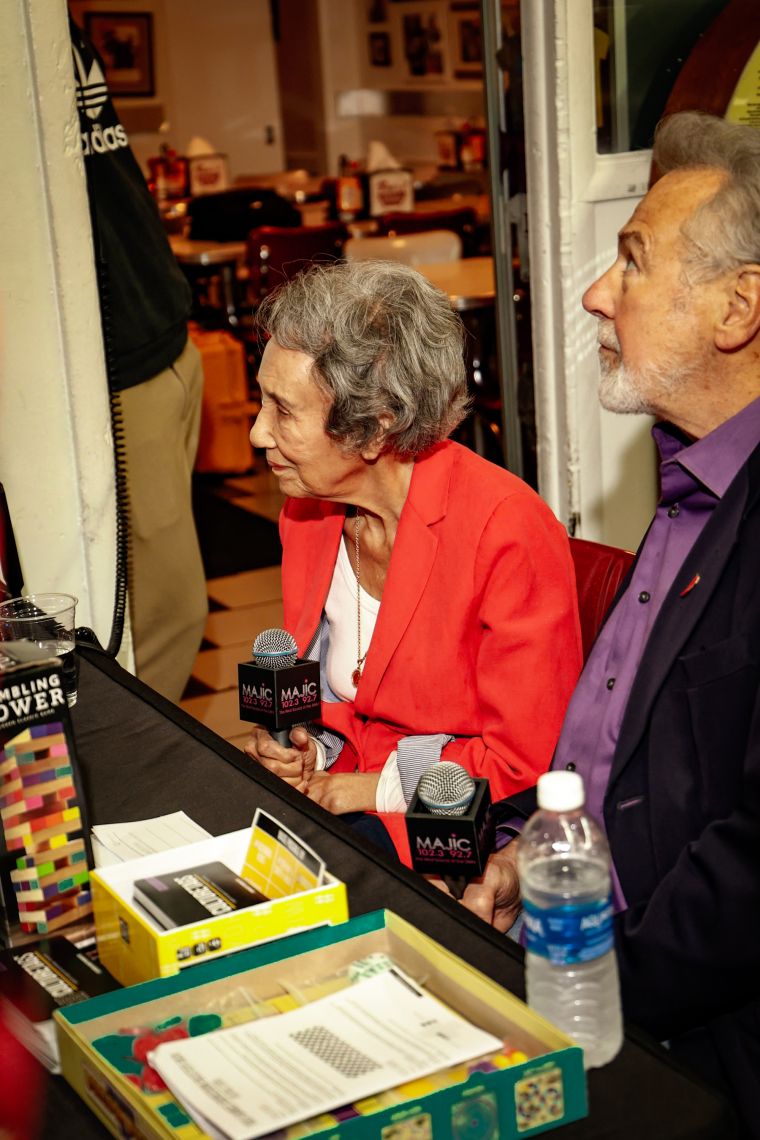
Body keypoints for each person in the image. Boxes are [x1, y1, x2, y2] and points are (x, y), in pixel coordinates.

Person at [462, 111, 760, 1137]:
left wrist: (600, 989)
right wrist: (534, 855)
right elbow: (626, 749)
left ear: (737, 308)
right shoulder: (690, 486)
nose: (595, 292)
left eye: (630, 261)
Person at [244, 260, 582, 859]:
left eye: (283, 411)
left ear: (375, 431)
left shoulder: (505, 531)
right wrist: (306, 748)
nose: (256, 433)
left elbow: (522, 761)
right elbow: (341, 697)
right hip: (341, 798)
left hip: (458, 827)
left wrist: (366, 788)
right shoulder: (308, 514)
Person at [69, 16, 208, 701]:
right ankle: (134, 777)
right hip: (117, 372)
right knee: (173, 610)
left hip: (166, 339)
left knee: (144, 594)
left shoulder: (59, 29)